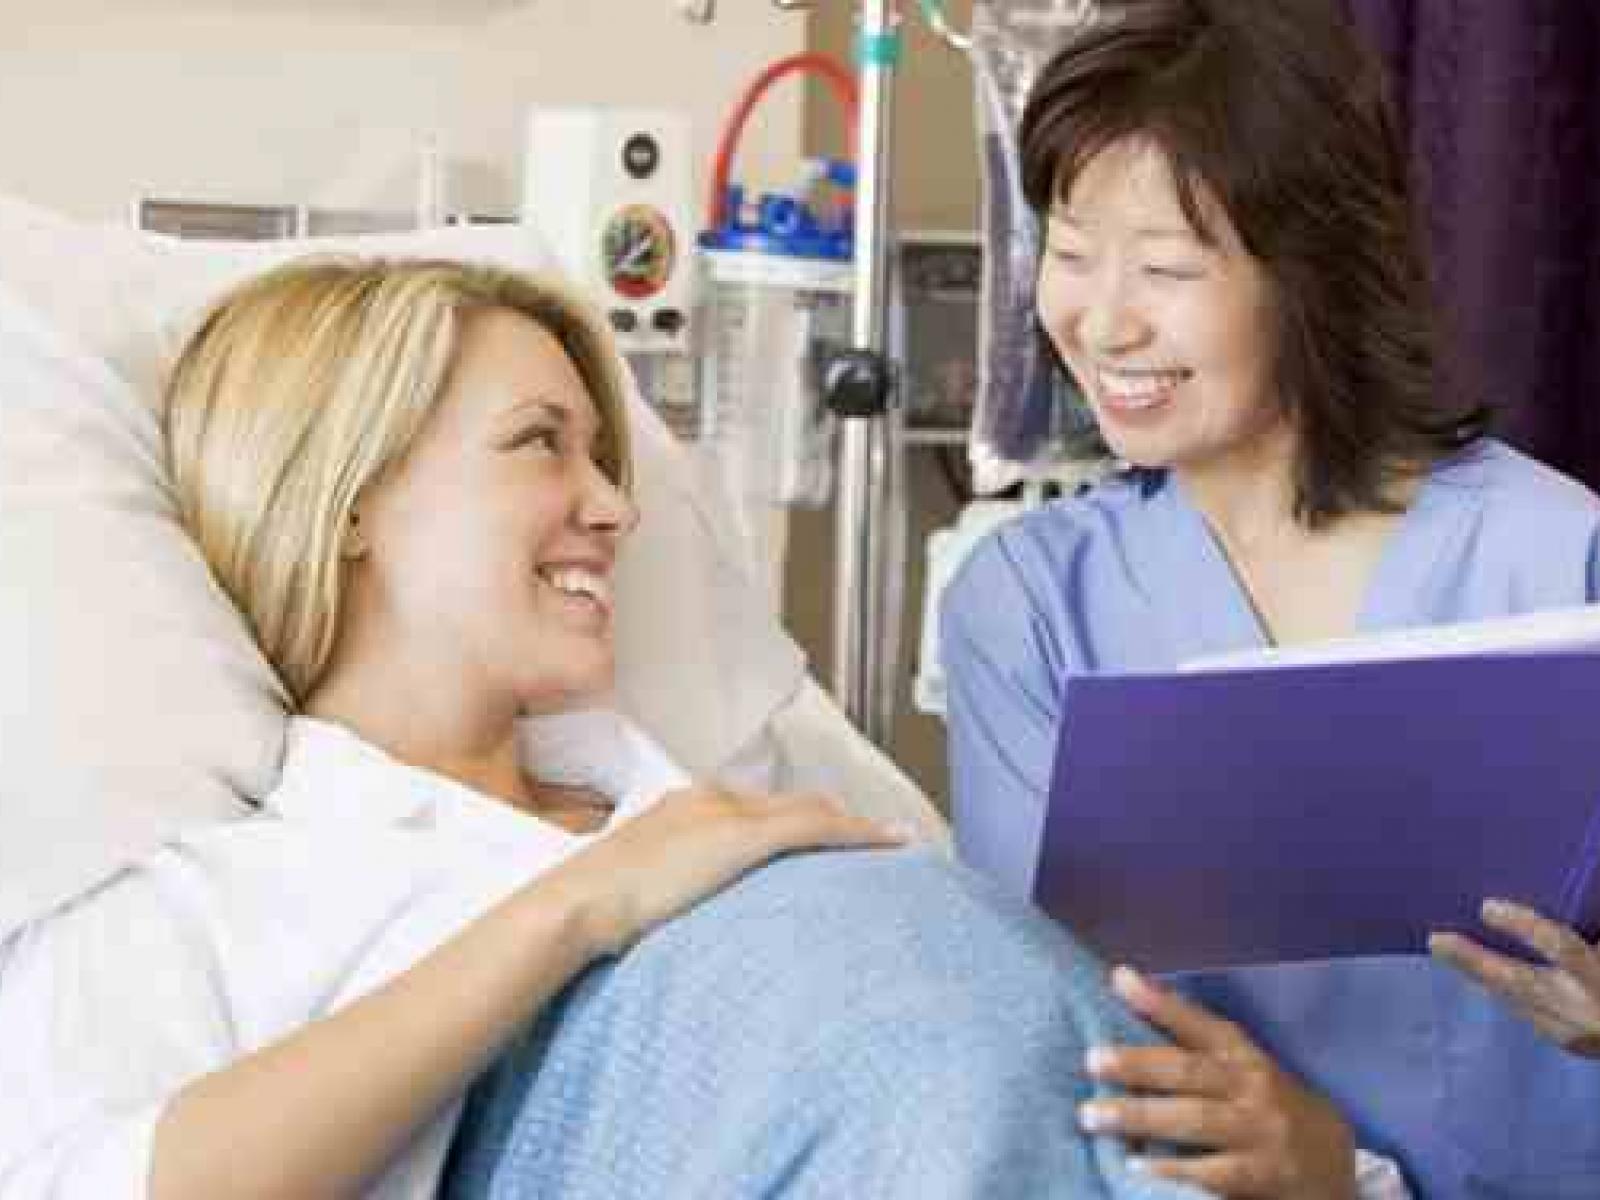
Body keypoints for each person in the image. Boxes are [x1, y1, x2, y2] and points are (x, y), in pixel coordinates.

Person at [0, 258, 1212, 1199]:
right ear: (351, 493)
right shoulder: (212, 901)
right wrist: (583, 904)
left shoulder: (738, 797)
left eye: (604, 455)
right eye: (541, 444)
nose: (615, 507)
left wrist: (1307, 1156)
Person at [941, 1, 1600, 1196]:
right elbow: (1039, 1022)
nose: (1101, 319)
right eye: (1071, 251)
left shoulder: (1559, 557)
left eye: (1165, 267)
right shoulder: (1030, 607)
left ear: (1313, 273)